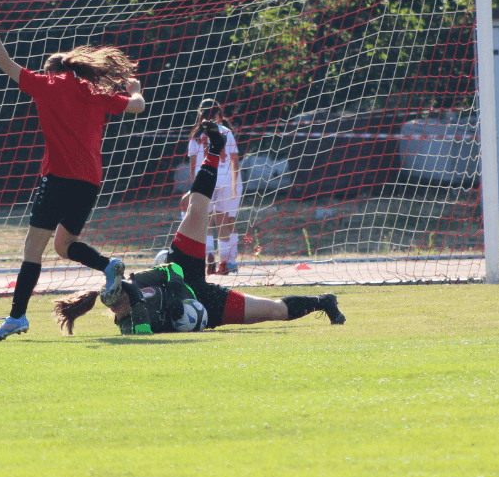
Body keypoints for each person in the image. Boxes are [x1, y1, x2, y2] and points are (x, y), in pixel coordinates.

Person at [53, 122, 345, 336]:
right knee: (274, 311)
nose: (117, 306)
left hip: (184, 267)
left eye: (118, 298)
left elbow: (171, 271)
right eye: (117, 305)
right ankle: (324, 302)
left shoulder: (136, 281)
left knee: (196, 207)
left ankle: (215, 149)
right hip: (209, 304)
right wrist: (182, 313)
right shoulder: (130, 323)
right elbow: (145, 331)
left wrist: (175, 294)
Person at [0, 0, 146, 341]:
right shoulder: (94, 91)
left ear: (51, 71)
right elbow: (137, 106)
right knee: (64, 244)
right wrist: (135, 89)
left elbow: (4, 62)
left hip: (57, 179)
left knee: (33, 249)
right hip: (90, 182)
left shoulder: (48, 85)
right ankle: (108, 265)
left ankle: (16, 317)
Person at [186, 99, 242, 275]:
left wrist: (195, 186)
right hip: (224, 180)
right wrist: (234, 185)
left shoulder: (196, 135)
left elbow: (192, 167)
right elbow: (235, 161)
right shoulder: (226, 131)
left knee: (205, 223)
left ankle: (209, 257)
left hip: (205, 180)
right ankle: (225, 262)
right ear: (218, 114)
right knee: (223, 222)